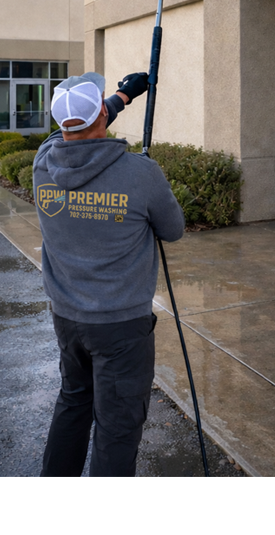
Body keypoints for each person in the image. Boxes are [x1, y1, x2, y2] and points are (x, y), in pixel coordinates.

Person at [33, 72, 185, 477]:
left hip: (67, 319)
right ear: (100, 112)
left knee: (74, 402)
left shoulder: (43, 162)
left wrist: (122, 97)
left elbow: (79, 127)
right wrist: (120, 99)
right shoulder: (140, 174)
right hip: (121, 326)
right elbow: (173, 230)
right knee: (117, 428)